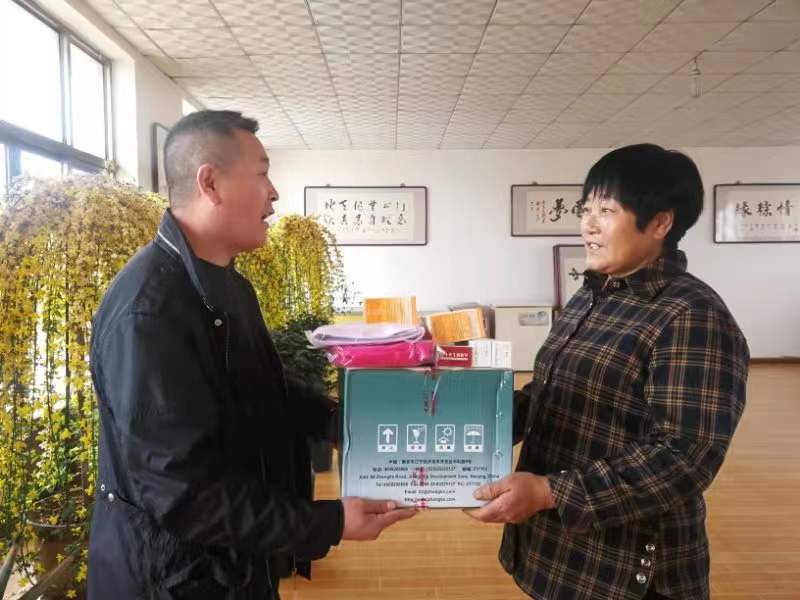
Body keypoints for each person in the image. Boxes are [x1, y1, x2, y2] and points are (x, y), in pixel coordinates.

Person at [88, 110, 416, 599]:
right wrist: (327, 522)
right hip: (172, 579)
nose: (274, 193)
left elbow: (262, 390)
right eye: (262, 174)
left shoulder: (229, 285)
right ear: (211, 183)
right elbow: (182, 491)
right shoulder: (150, 313)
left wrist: (340, 423)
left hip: (237, 565)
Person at [467, 143, 749, 600]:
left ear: (660, 223)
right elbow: (551, 395)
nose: (588, 224)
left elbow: (684, 457)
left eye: (607, 210)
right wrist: (468, 417)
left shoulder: (692, 315)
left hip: (627, 568)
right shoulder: (594, 294)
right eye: (586, 209)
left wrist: (549, 493)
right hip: (560, 552)